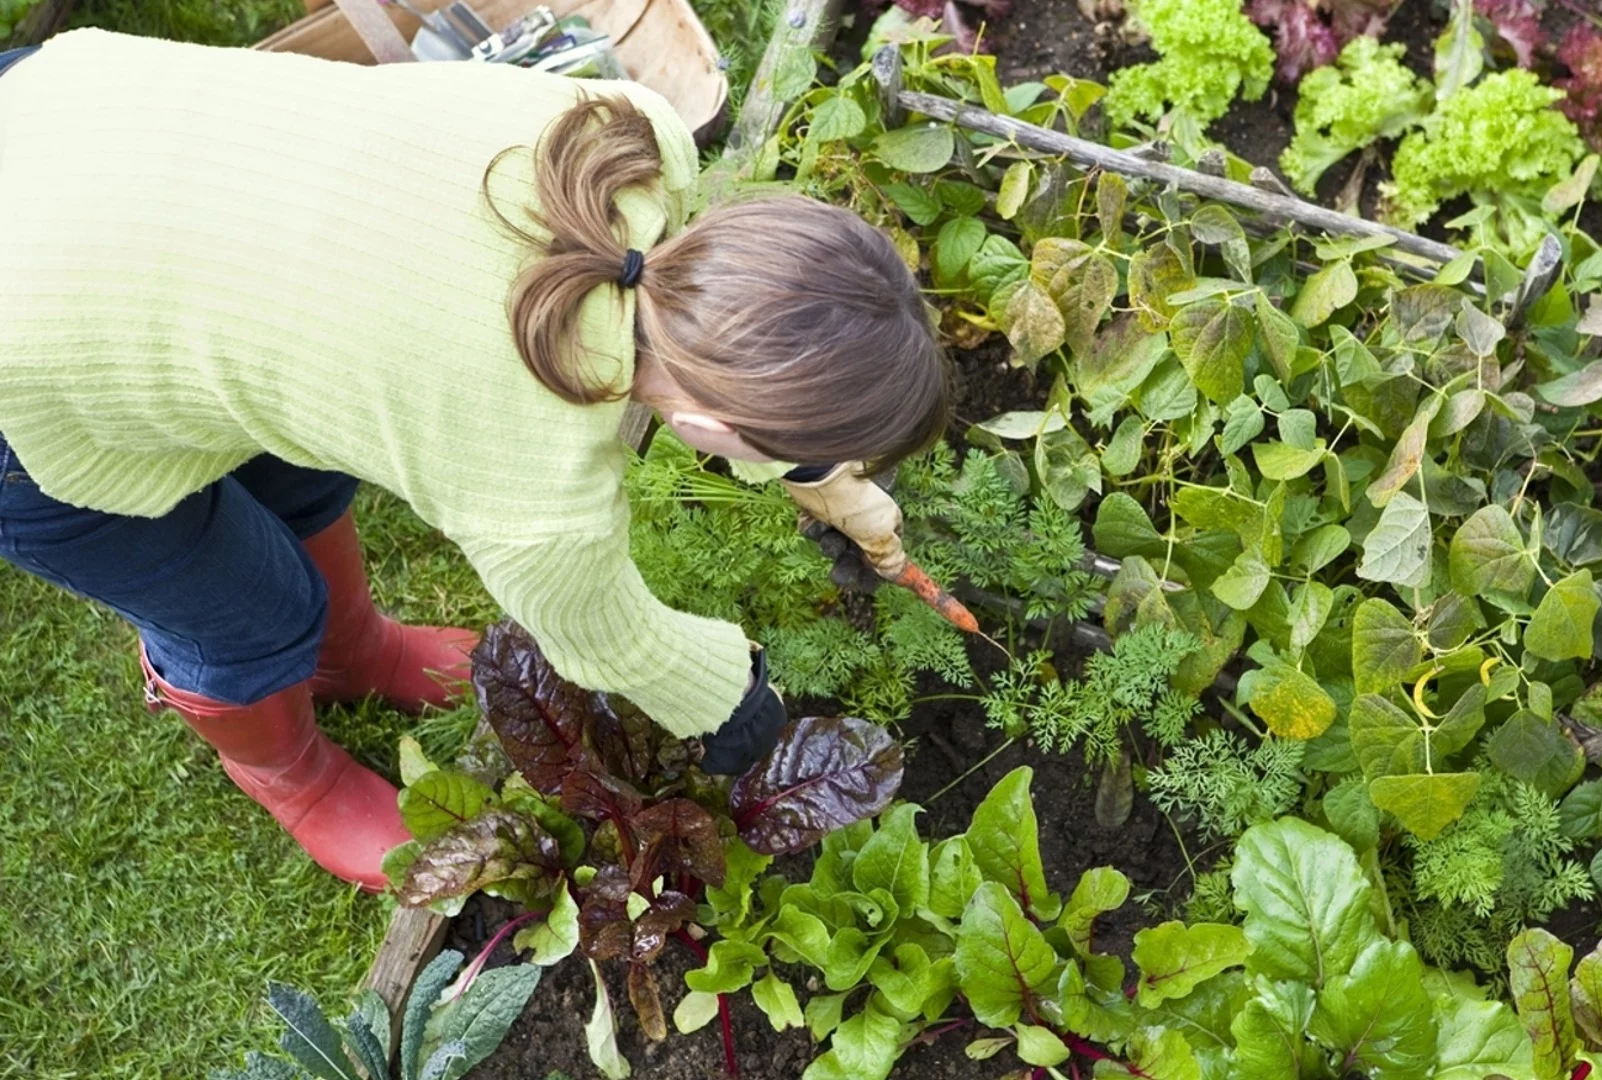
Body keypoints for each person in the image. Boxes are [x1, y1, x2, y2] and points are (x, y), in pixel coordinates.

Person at [0, 30, 948, 892]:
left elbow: (736, 348)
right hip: (28, 330)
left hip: (80, 115)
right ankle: (293, 776)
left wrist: (815, 470)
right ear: (710, 420)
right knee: (245, 608)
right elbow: (606, 638)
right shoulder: (537, 486)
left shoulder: (631, 139)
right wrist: (737, 707)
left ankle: (352, 651)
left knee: (300, 464)